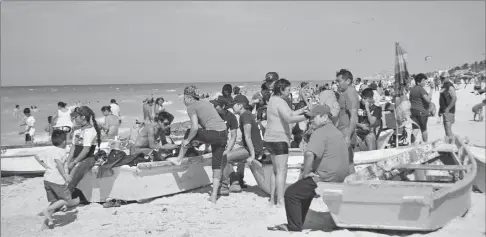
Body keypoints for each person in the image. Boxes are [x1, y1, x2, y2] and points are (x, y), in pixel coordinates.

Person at [267, 105, 349, 232]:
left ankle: (294, 226)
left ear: (324, 117)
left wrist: (306, 173)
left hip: (326, 176)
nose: (310, 120)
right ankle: (298, 222)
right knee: (302, 191)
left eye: (313, 117)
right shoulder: (335, 131)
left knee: (291, 193)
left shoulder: (320, 132)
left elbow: (309, 154)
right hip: (340, 175)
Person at [168, 86, 228, 203]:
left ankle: (179, 159)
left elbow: (195, 128)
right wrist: (196, 140)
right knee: (216, 165)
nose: (183, 101)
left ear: (189, 97)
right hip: (223, 134)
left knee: (188, 133)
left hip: (213, 133)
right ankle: (214, 196)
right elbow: (206, 123)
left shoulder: (191, 107)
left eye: (183, 98)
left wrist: (187, 140)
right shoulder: (205, 103)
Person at [264, 78, 308, 207]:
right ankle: (281, 200)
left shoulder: (272, 100)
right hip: (279, 139)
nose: (289, 92)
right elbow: (289, 119)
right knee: (282, 170)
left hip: (269, 138)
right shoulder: (280, 101)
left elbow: (291, 113)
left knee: (275, 170)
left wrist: (302, 110)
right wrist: (307, 116)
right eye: (288, 90)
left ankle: (272, 199)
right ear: (281, 89)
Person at [34, 130, 79, 230]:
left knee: (55, 202)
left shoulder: (49, 150)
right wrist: (65, 175)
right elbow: (58, 163)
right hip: (56, 181)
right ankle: (47, 210)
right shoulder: (61, 151)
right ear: (64, 142)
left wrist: (46, 166)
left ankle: (45, 225)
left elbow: (36, 156)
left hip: (47, 179)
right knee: (66, 199)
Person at [220, 95, 265, 195]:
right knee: (227, 154)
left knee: (225, 157)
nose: (232, 108)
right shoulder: (246, 114)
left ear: (240, 106)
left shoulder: (245, 116)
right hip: (249, 147)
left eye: (234, 105)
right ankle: (237, 180)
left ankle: (224, 186)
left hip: (252, 149)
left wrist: (252, 156)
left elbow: (248, 137)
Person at [64, 106, 102, 193]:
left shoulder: (90, 131)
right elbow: (72, 149)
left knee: (75, 172)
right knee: (64, 169)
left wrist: (74, 162)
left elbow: (85, 151)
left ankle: (67, 193)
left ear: (83, 117)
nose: (74, 119)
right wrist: (67, 162)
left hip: (87, 158)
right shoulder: (77, 131)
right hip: (77, 157)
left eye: (76, 117)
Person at [335, 69, 359, 174]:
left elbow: (354, 117)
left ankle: (354, 187)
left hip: (346, 132)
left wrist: (348, 136)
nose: (337, 84)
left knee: (348, 163)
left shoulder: (350, 92)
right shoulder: (345, 93)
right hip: (342, 131)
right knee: (344, 162)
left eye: (339, 81)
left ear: (348, 81)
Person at [409, 73, 433, 142]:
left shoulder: (412, 90)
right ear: (418, 82)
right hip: (421, 112)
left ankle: (412, 144)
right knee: (424, 129)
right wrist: (431, 89)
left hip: (413, 111)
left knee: (415, 129)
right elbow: (428, 100)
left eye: (425, 80)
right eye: (423, 81)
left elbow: (411, 100)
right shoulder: (421, 89)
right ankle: (425, 145)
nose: (424, 82)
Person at [439, 77, 457, 142]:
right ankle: (449, 144)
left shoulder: (450, 86)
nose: (442, 79)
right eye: (441, 78)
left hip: (449, 110)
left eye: (443, 78)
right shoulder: (444, 87)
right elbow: (442, 99)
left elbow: (454, 98)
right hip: (444, 110)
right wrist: (440, 110)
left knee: (448, 127)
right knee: (446, 128)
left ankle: (452, 144)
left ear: (447, 78)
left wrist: (448, 108)